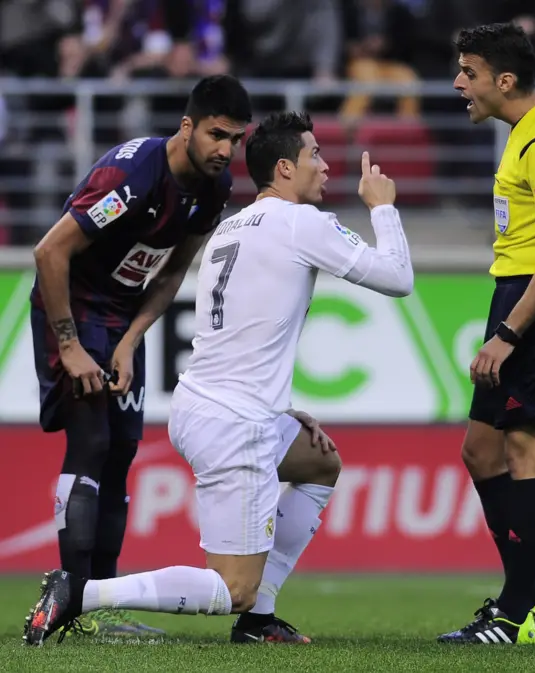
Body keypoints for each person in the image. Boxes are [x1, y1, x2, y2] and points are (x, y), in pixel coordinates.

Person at [23, 111, 414, 647]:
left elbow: (249, 334)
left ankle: (260, 624)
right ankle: (82, 594)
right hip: (237, 423)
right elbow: (398, 278)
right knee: (232, 589)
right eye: (315, 156)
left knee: (320, 462)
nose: (326, 166)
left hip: (202, 403)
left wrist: (285, 408)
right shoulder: (302, 224)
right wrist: (383, 207)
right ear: (283, 168)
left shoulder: (231, 227)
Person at [29, 75, 252, 637]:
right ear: (187, 126)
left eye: (236, 139)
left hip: (120, 322)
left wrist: (130, 340)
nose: (225, 150)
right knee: (93, 443)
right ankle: (68, 607)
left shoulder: (213, 187)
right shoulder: (131, 177)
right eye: (216, 134)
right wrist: (71, 344)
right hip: (74, 310)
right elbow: (50, 252)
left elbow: (174, 269)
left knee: (123, 452)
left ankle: (100, 609)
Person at [437, 23, 535, 645]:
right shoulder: (526, 134)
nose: (458, 83)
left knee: (529, 454)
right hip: (519, 296)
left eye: (468, 72)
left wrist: (506, 333)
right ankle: (525, 601)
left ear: (504, 81)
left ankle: (515, 613)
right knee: (480, 451)